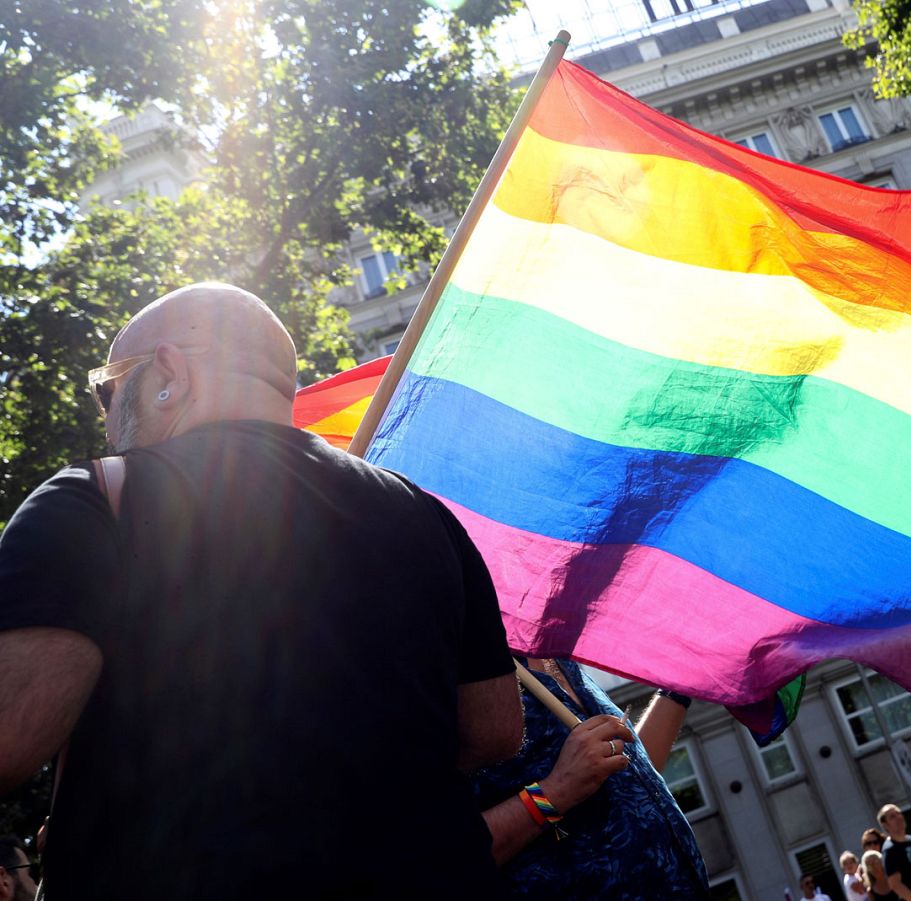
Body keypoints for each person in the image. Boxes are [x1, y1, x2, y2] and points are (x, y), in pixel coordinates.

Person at [0, 284, 523, 900]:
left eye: (107, 390)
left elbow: (12, 733)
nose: (106, 417)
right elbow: (495, 731)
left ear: (168, 374)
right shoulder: (424, 512)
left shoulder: (93, 500)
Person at [470, 661, 710, 898]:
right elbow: (442, 854)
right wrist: (556, 792)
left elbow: (626, 789)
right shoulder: (455, 674)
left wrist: (678, 689)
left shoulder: (557, 655)